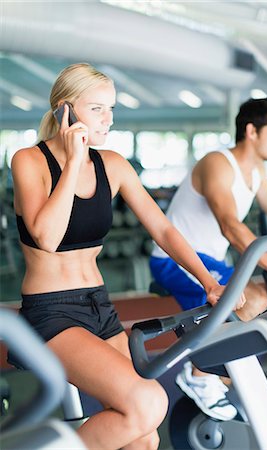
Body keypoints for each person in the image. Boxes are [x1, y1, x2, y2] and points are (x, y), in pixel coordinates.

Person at [10, 63, 242, 450]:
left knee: (144, 437)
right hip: (52, 313)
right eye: (97, 109)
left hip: (100, 307)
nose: (109, 119)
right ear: (64, 111)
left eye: (112, 109)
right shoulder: (28, 161)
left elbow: (164, 229)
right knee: (148, 403)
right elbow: (46, 237)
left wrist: (208, 281)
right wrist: (72, 160)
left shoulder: (113, 165)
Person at [150, 97, 267, 422]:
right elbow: (230, 226)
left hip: (214, 262)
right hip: (178, 261)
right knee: (252, 299)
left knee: (263, 300)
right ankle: (199, 374)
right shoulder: (217, 164)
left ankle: (223, 375)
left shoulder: (255, 171)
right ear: (251, 131)